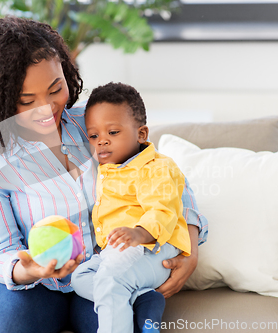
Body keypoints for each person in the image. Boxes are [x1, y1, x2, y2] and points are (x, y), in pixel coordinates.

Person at [0, 15, 208, 333]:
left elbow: (168, 181)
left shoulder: (94, 124)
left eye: (55, 89)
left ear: (67, 74)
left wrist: (190, 251)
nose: (47, 109)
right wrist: (31, 270)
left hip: (104, 272)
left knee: (139, 322)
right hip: (35, 289)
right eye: (27, 101)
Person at [71, 82, 192, 333]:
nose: (101, 142)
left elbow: (163, 209)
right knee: (79, 279)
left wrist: (139, 232)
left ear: (141, 134)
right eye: (94, 136)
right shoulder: (107, 168)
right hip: (116, 253)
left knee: (111, 280)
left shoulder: (156, 168)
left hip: (153, 249)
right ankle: (143, 297)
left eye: (113, 133)